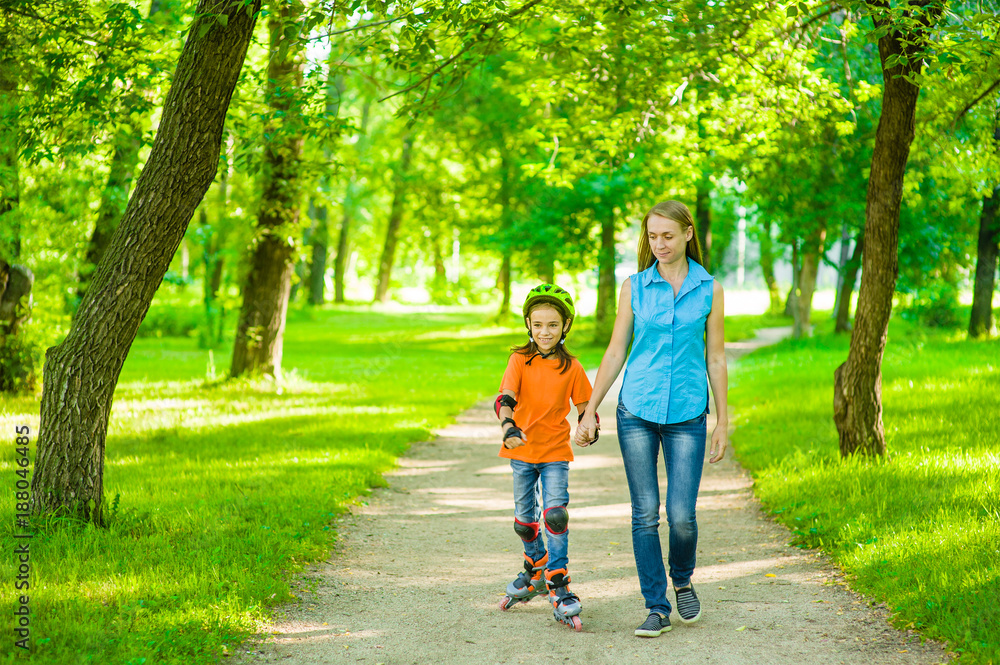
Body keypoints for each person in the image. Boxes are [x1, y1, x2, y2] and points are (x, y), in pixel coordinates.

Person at [576, 200, 728, 638]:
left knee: (681, 515)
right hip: (636, 409)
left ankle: (682, 578)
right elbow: (615, 351)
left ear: (687, 234)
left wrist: (722, 420)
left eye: (667, 235)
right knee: (645, 513)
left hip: (686, 412)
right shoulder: (634, 287)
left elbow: (715, 357)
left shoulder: (709, 289)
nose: (658, 244)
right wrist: (589, 411)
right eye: (652, 236)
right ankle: (656, 607)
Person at [495, 284, 596, 632]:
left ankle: (558, 578)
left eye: (552, 325)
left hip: (554, 452)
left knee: (554, 514)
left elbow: (587, 409)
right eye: (538, 325)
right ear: (528, 324)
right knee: (524, 523)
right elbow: (504, 398)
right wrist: (508, 426)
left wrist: (590, 427)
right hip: (521, 450)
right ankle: (535, 563)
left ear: (565, 326)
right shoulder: (519, 360)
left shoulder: (572, 368)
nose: (544, 332)